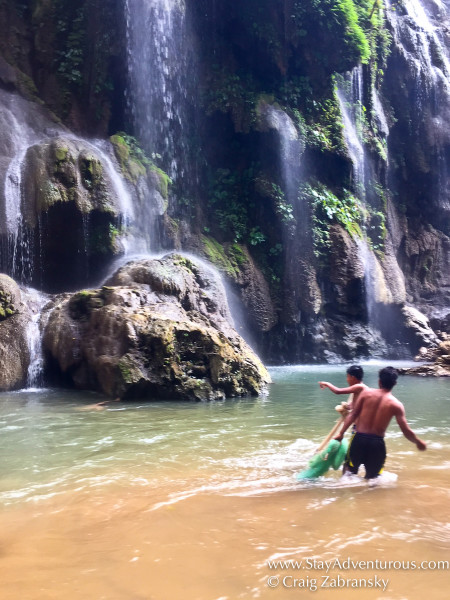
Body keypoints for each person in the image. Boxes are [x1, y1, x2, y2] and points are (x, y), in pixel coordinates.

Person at [334, 366, 427, 479]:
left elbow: (353, 415)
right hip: (377, 444)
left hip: (359, 439)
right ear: (395, 383)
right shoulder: (396, 405)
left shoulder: (365, 394)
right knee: (373, 479)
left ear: (379, 381)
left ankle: (344, 494)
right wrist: (418, 442)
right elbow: (406, 431)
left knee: (348, 471)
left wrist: (341, 433)